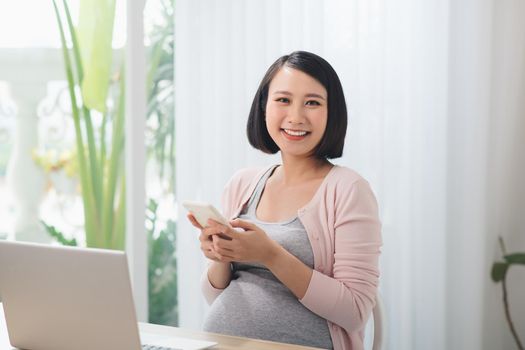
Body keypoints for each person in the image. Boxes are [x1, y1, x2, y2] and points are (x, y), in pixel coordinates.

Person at [187, 51, 382, 350]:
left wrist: (271, 255)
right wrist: (220, 256)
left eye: (312, 103)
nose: (296, 117)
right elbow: (216, 296)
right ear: (264, 107)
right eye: (283, 100)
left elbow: (355, 312)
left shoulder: (349, 189)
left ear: (332, 113)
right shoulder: (243, 184)